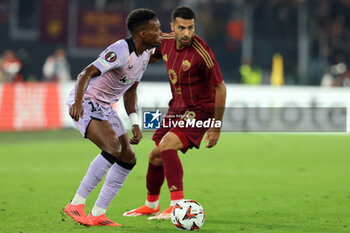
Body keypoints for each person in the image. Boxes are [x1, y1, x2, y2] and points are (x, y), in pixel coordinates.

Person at [123, 6, 226, 219]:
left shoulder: (202, 52)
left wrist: (216, 126)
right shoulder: (166, 40)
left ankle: (178, 204)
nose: (187, 33)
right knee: (155, 156)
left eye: (191, 28)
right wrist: (130, 63)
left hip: (200, 109)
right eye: (182, 27)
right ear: (172, 27)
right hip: (177, 107)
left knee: (167, 144)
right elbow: (152, 57)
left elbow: (220, 88)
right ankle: (151, 205)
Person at [63, 8, 162, 226]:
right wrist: (78, 103)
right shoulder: (120, 50)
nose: (160, 33)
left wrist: (135, 123)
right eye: (157, 29)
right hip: (87, 101)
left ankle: (98, 214)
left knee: (128, 157)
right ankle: (76, 204)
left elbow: (130, 90)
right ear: (143, 33)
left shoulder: (144, 54)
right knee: (112, 148)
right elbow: (85, 73)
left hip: (106, 106)